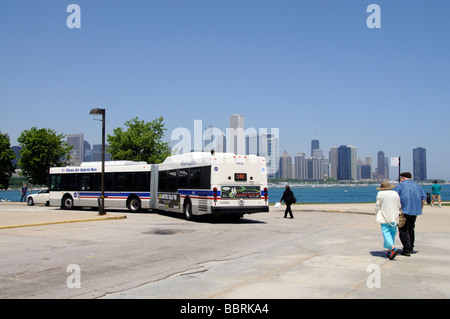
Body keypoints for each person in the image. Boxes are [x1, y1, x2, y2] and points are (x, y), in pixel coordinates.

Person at [393, 172, 426, 256]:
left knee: (403, 229)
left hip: (404, 211)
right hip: (415, 211)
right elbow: (423, 199)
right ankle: (411, 247)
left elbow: (394, 196)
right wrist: (420, 208)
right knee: (411, 228)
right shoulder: (417, 186)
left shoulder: (401, 185)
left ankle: (406, 249)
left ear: (403, 178)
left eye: (401, 178)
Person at [375, 181, 401, 260]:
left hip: (384, 216)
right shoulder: (395, 193)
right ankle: (389, 250)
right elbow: (399, 205)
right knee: (392, 233)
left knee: (386, 232)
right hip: (394, 216)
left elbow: (377, 206)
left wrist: (376, 213)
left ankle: (393, 248)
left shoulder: (380, 194)